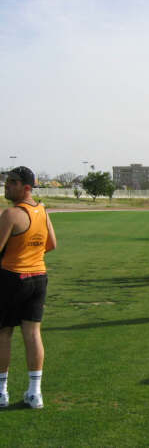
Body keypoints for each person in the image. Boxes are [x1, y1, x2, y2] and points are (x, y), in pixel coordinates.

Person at [0, 167, 57, 409]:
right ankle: (35, 394)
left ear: (26, 187)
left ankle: (1, 392)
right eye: (6, 181)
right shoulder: (43, 211)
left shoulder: (11, 214)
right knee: (33, 334)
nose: (6, 185)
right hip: (38, 277)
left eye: (12, 182)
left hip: (12, 278)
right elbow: (51, 244)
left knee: (3, 333)